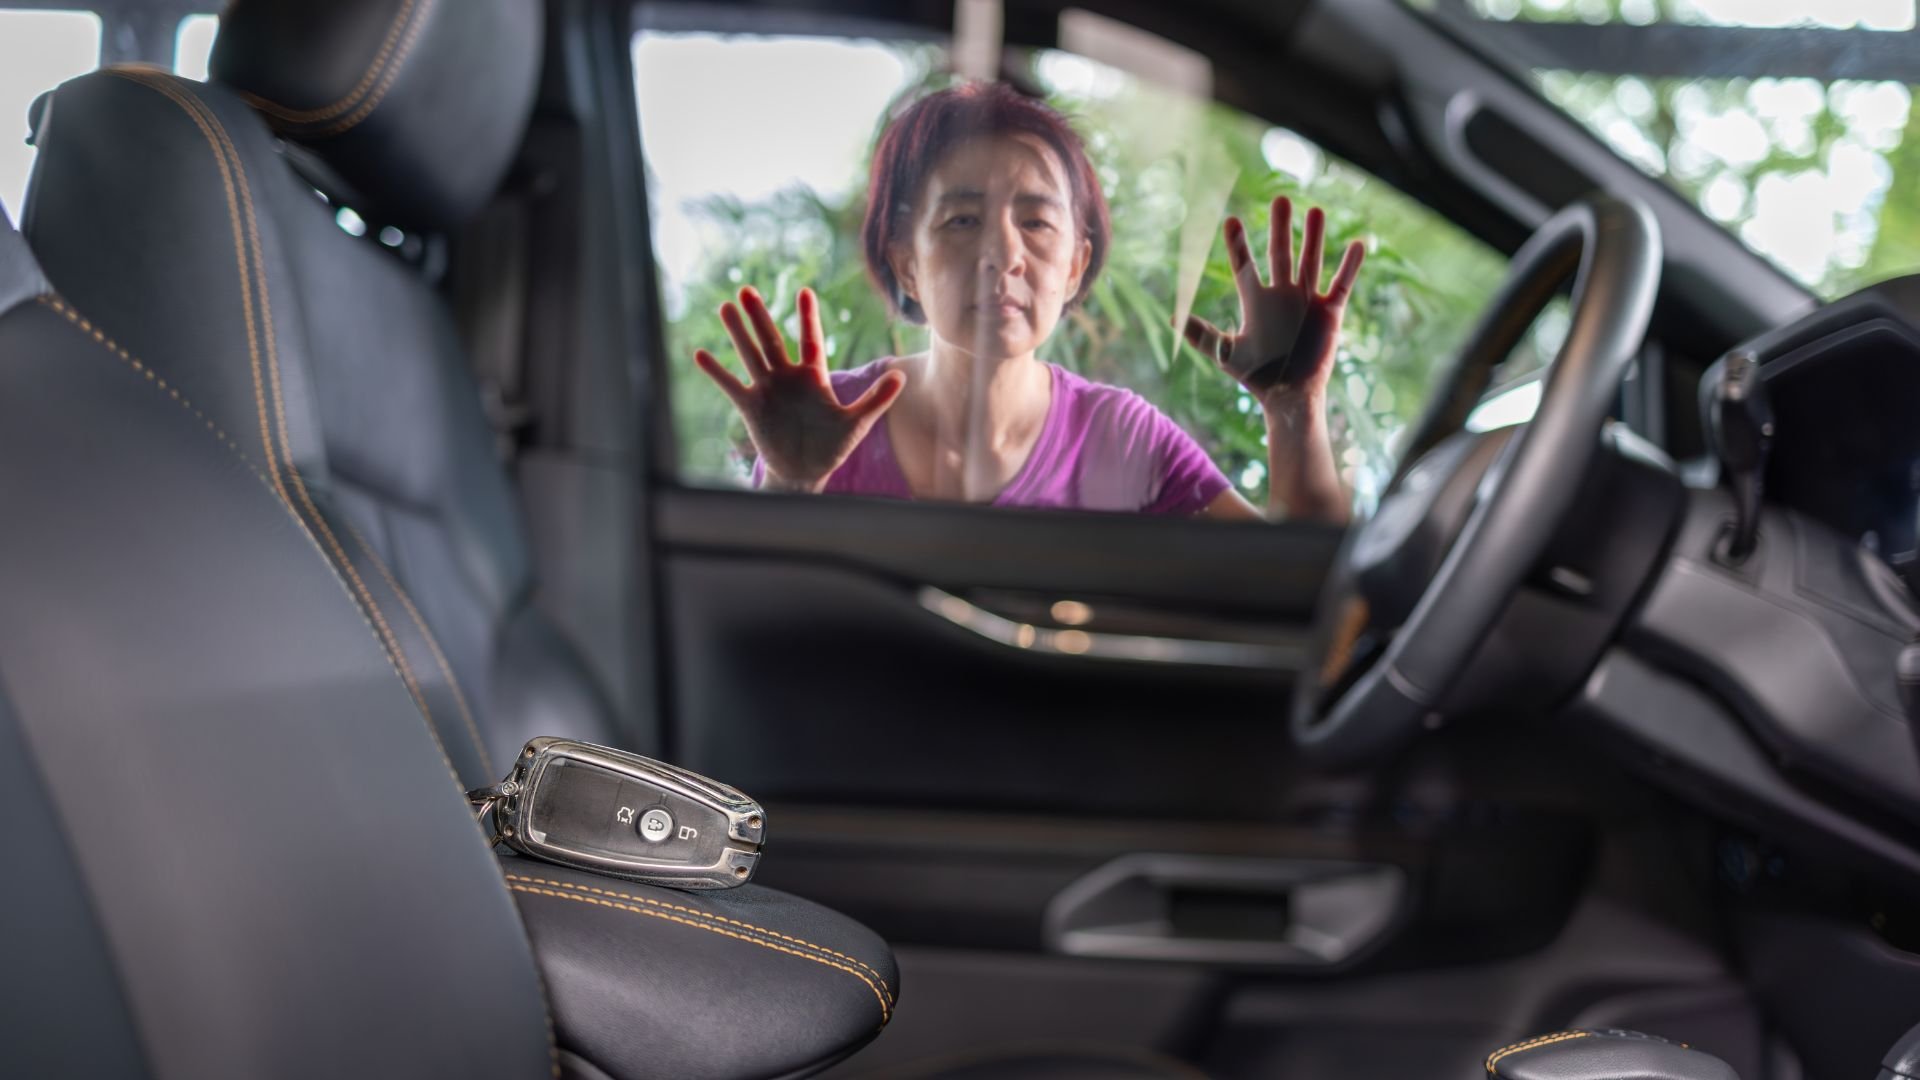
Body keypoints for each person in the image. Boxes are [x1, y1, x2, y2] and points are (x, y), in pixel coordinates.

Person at [692, 81, 1364, 523]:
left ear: (1075, 266)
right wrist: (790, 486)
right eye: (962, 220)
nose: (1003, 254)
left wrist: (1293, 407)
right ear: (906, 263)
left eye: (1037, 222)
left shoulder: (1122, 438)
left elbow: (1291, 584)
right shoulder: (827, 425)